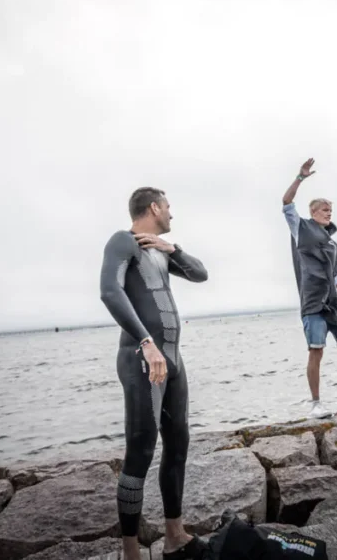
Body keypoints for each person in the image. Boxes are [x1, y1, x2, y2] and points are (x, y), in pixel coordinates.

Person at [100, 187, 209, 560]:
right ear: (154, 208)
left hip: (173, 361)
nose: (171, 215)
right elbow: (110, 292)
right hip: (141, 358)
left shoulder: (159, 251)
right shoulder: (123, 242)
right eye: (168, 207)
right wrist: (146, 342)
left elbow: (201, 274)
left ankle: (174, 534)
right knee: (140, 453)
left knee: (178, 445)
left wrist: (171, 249)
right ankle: (130, 551)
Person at [282, 158, 337, 418]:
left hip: (333, 299)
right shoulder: (300, 228)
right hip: (312, 301)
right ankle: (316, 403)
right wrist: (300, 177)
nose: (328, 213)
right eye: (323, 210)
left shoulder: (330, 242)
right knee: (316, 350)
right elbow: (286, 202)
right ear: (312, 213)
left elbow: (334, 274)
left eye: (330, 210)